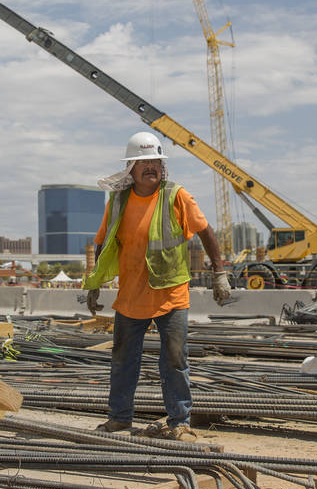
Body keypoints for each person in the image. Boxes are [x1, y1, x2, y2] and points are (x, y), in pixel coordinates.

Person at [83, 131, 231, 441]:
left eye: (156, 162)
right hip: (132, 296)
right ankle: (119, 419)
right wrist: (95, 282)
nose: (152, 167)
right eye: (145, 162)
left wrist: (219, 272)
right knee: (123, 359)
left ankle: (180, 422)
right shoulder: (119, 201)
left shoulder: (176, 195)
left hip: (170, 292)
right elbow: (104, 241)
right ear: (131, 167)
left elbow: (206, 232)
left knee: (175, 360)